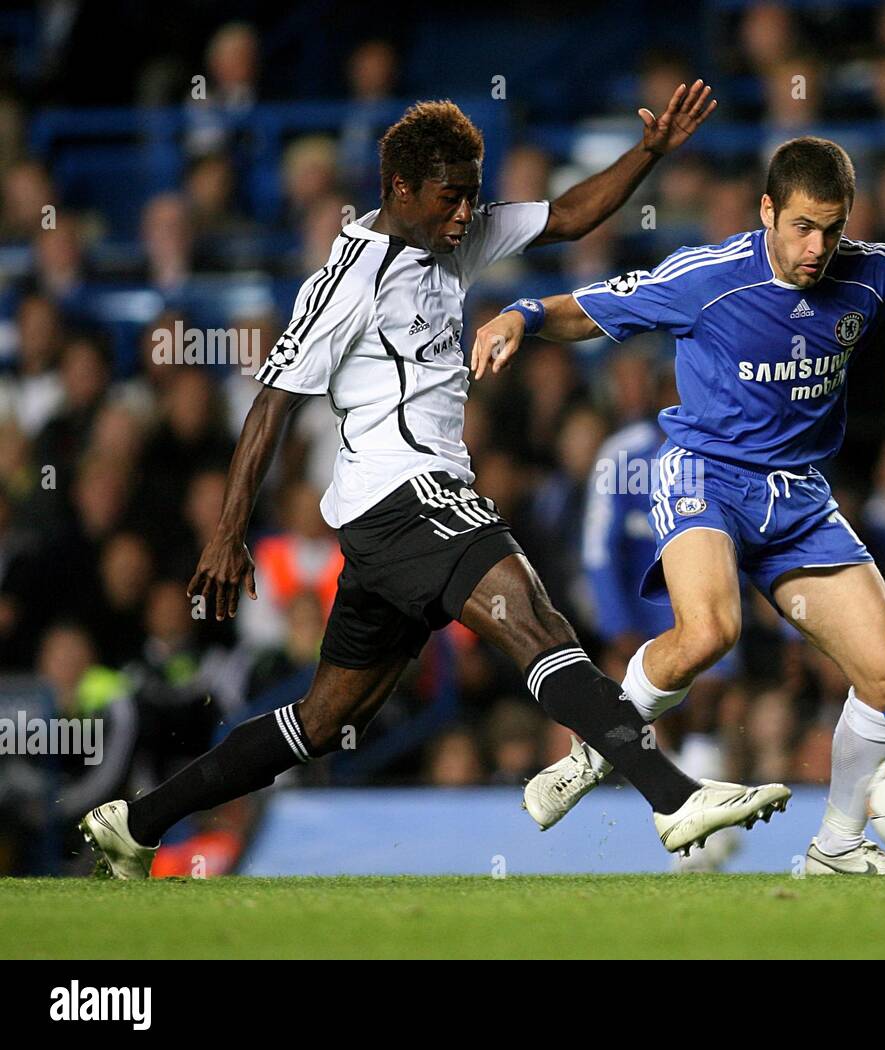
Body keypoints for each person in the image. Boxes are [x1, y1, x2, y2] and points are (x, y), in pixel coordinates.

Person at [80, 89, 792, 880]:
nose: (466, 214)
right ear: (399, 190)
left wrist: (650, 153)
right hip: (405, 495)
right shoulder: (351, 277)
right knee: (535, 620)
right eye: (451, 198)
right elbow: (272, 403)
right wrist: (227, 532)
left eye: (472, 195)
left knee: (320, 720)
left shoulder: (455, 237)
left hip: (391, 521)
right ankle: (673, 799)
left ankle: (136, 824)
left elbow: (566, 216)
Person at [473, 135, 885, 876]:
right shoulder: (711, 278)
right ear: (767, 211)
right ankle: (589, 756)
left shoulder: (874, 274)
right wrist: (521, 316)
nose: (818, 246)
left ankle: (837, 847)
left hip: (798, 498)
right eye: (802, 227)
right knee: (709, 631)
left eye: (833, 226)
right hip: (705, 474)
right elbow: (593, 310)